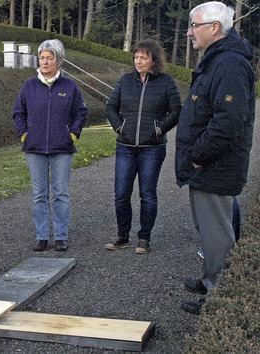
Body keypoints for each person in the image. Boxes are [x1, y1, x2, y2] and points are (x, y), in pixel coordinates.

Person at [175, 1, 255, 315]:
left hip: (215, 166)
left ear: (214, 28)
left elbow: (228, 122)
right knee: (208, 229)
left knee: (217, 231)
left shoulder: (230, 64)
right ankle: (211, 277)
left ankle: (219, 297)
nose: (189, 32)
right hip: (209, 166)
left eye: (194, 26)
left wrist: (197, 157)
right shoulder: (218, 60)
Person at [105, 39, 182, 254]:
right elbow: (111, 107)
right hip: (125, 146)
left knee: (147, 193)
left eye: (143, 57)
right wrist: (119, 127)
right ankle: (122, 236)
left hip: (153, 148)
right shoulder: (125, 80)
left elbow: (176, 110)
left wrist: (159, 128)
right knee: (121, 193)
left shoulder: (166, 82)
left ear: (153, 60)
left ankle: (144, 238)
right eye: (136, 57)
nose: (138, 61)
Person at [12, 39, 87, 252]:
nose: (44, 62)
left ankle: (61, 236)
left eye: (49, 58)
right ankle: (42, 235)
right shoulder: (29, 86)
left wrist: (72, 135)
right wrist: (24, 135)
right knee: (39, 194)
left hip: (62, 148)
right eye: (42, 57)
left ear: (59, 61)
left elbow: (81, 112)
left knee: (61, 193)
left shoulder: (70, 86)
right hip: (34, 149)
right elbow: (18, 112)